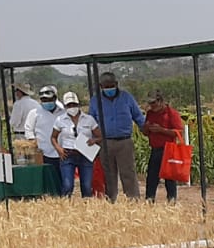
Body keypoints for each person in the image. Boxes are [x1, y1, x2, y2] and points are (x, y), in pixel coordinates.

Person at [87, 72, 146, 202]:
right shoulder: (95, 101)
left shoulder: (127, 98)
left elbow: (138, 117)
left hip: (124, 141)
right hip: (104, 142)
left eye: (111, 85)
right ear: (101, 86)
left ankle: (133, 200)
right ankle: (111, 200)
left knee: (128, 173)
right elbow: (90, 122)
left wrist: (147, 130)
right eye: (106, 86)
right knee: (109, 174)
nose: (109, 88)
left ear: (117, 84)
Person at [51, 92, 99, 198]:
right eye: (69, 105)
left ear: (78, 104)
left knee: (86, 186)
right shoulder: (60, 120)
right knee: (68, 185)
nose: (72, 107)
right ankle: (65, 207)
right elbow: (53, 137)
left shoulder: (89, 119)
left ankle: (87, 207)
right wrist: (59, 149)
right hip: (68, 153)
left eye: (74, 105)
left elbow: (99, 136)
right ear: (65, 106)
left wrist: (94, 140)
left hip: (85, 154)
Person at [142, 92, 185, 203]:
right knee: (152, 177)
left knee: (169, 178)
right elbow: (145, 133)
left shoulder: (171, 113)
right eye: (150, 104)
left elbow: (179, 132)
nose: (152, 106)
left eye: (154, 103)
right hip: (155, 149)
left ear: (161, 101)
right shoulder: (150, 113)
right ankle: (149, 200)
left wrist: (161, 130)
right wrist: (146, 128)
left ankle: (171, 201)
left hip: (168, 149)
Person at [23, 86, 64, 194]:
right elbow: (28, 129)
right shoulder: (34, 113)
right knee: (48, 179)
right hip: (43, 152)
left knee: (63, 180)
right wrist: (33, 141)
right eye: (44, 100)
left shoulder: (63, 112)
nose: (46, 102)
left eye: (49, 100)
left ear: (55, 98)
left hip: (61, 151)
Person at [8, 83, 40, 156]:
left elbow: (14, 122)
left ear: (20, 92)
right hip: (34, 136)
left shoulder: (18, 104)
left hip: (21, 136)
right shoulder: (36, 103)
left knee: (22, 159)